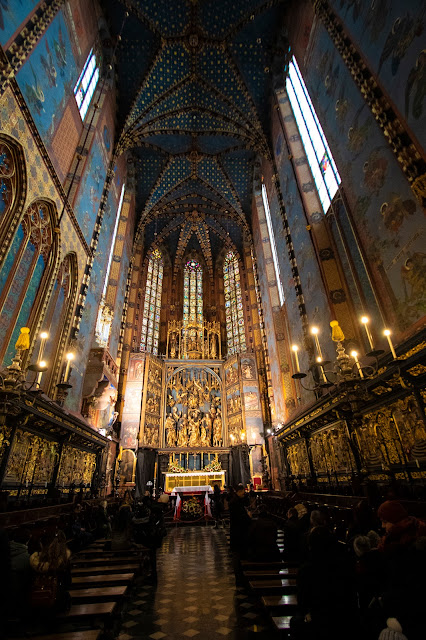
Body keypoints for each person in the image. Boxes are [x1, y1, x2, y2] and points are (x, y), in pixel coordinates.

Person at [291, 526, 358, 640]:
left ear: (311, 545)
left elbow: (303, 602)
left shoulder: (307, 570)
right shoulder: (346, 566)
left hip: (318, 622)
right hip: (344, 621)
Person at [376, 500, 426, 639]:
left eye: (385, 521)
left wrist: (386, 599)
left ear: (395, 520)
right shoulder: (394, 541)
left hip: (408, 620)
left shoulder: (409, 547)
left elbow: (409, 586)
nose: (382, 526)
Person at [30, 531, 71, 613]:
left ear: (41, 545)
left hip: (37, 602)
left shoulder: (34, 561)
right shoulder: (63, 560)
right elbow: (68, 583)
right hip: (58, 602)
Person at [229, 485, 251, 584]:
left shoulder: (236, 501)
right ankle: (240, 576)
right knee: (237, 555)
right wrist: (248, 516)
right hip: (238, 532)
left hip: (237, 531)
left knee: (237, 554)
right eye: (243, 492)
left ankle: (240, 575)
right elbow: (240, 518)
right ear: (239, 491)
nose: (244, 493)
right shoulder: (235, 502)